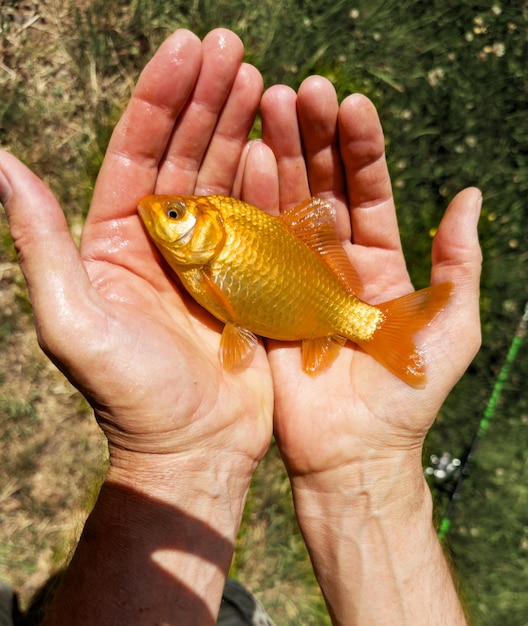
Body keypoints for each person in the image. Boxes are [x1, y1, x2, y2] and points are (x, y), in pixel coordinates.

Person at [0, 27, 481, 625]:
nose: (159, 217)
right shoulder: (204, 259)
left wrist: (369, 463)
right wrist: (181, 455)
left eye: (175, 214)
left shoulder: (234, 257)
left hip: (330, 310)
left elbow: (242, 298)